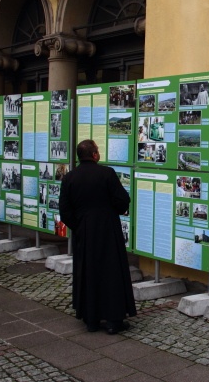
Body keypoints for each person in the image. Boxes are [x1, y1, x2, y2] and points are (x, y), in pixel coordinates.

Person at [60, 139, 136, 334]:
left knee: (87, 273)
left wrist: (79, 226)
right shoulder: (106, 174)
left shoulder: (70, 178)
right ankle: (113, 321)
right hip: (107, 230)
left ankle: (91, 319)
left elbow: (65, 211)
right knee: (111, 274)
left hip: (84, 233)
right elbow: (122, 199)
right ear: (95, 155)